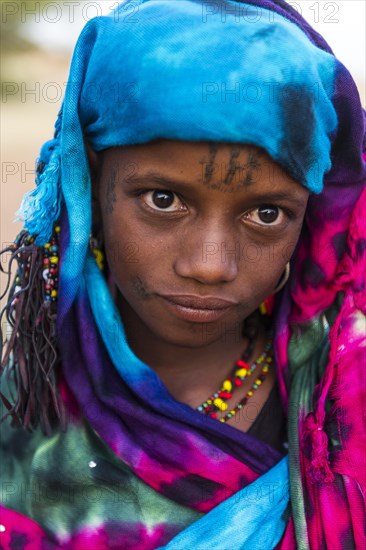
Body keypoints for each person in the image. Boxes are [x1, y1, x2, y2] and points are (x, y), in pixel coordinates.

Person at [0, 0, 365, 548]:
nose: (211, 265)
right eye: (163, 199)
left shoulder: (346, 398)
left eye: (267, 214)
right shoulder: (22, 415)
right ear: (91, 189)